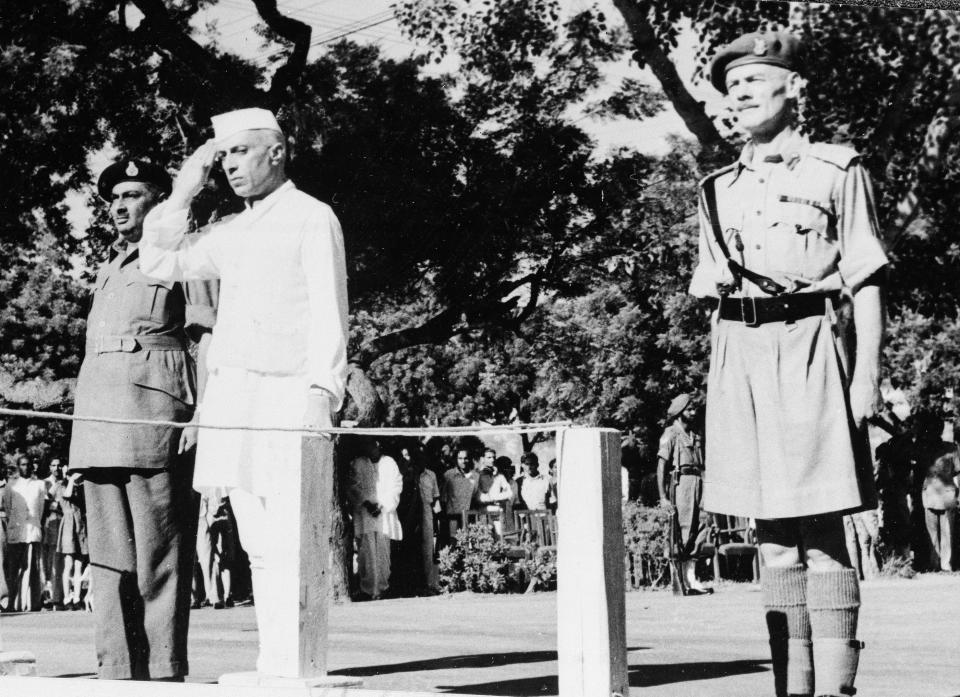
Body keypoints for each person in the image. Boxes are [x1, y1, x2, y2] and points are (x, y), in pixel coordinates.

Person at [693, 31, 888, 697]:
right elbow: (711, 291)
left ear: (793, 88)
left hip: (810, 344)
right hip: (739, 354)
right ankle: (790, 689)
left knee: (825, 531)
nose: (740, 92)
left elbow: (864, 278)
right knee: (772, 536)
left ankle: (836, 689)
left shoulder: (836, 170)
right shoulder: (715, 188)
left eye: (755, 79)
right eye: (733, 84)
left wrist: (866, 377)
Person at [139, 107, 348, 677]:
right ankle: (273, 661)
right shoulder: (232, 229)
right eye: (223, 155)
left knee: (290, 535)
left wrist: (321, 392)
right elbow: (159, 260)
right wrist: (184, 189)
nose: (230, 165)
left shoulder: (312, 216)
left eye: (240, 152)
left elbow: (331, 312)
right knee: (256, 539)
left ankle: (299, 662)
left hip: (287, 395)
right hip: (237, 400)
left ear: (276, 153)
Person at [69, 158, 217, 680]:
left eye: (132, 195)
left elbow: (207, 336)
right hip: (97, 424)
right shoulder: (109, 267)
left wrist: (204, 413)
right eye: (114, 198)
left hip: (157, 420)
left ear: (161, 201)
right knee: (108, 562)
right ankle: (116, 672)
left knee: (161, 556)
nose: (119, 206)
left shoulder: (185, 254)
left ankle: (162, 674)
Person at [657, 393, 709, 595]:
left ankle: (691, 579)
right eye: (689, 409)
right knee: (682, 530)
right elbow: (661, 466)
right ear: (679, 413)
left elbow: (702, 465)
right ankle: (679, 580)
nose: (693, 412)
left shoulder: (695, 435)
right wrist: (663, 497)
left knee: (700, 528)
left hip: (697, 482)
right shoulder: (670, 434)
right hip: (681, 484)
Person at [347, 439, 402, 600]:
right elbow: (352, 486)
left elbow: (396, 486)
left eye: (372, 443)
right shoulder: (358, 463)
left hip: (384, 515)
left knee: (383, 552)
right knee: (366, 552)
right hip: (365, 515)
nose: (368, 447)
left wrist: (382, 505)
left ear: (378, 444)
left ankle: (382, 588)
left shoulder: (389, 463)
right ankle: (368, 590)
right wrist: (366, 502)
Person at [3, 456, 47, 611]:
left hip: (32, 531)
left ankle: (33, 603)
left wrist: (35, 524)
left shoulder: (39, 485)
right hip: (16, 532)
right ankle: (12, 604)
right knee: (14, 569)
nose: (26, 468)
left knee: (32, 568)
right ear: (18, 467)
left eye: (28, 465)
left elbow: (40, 509)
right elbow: (8, 509)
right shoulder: (11, 485)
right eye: (23, 465)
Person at [57, 471, 88, 609]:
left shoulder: (80, 489)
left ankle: (77, 597)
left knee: (79, 565)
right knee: (68, 564)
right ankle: (66, 598)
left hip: (79, 526)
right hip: (69, 525)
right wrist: (70, 480)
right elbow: (67, 495)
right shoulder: (62, 487)